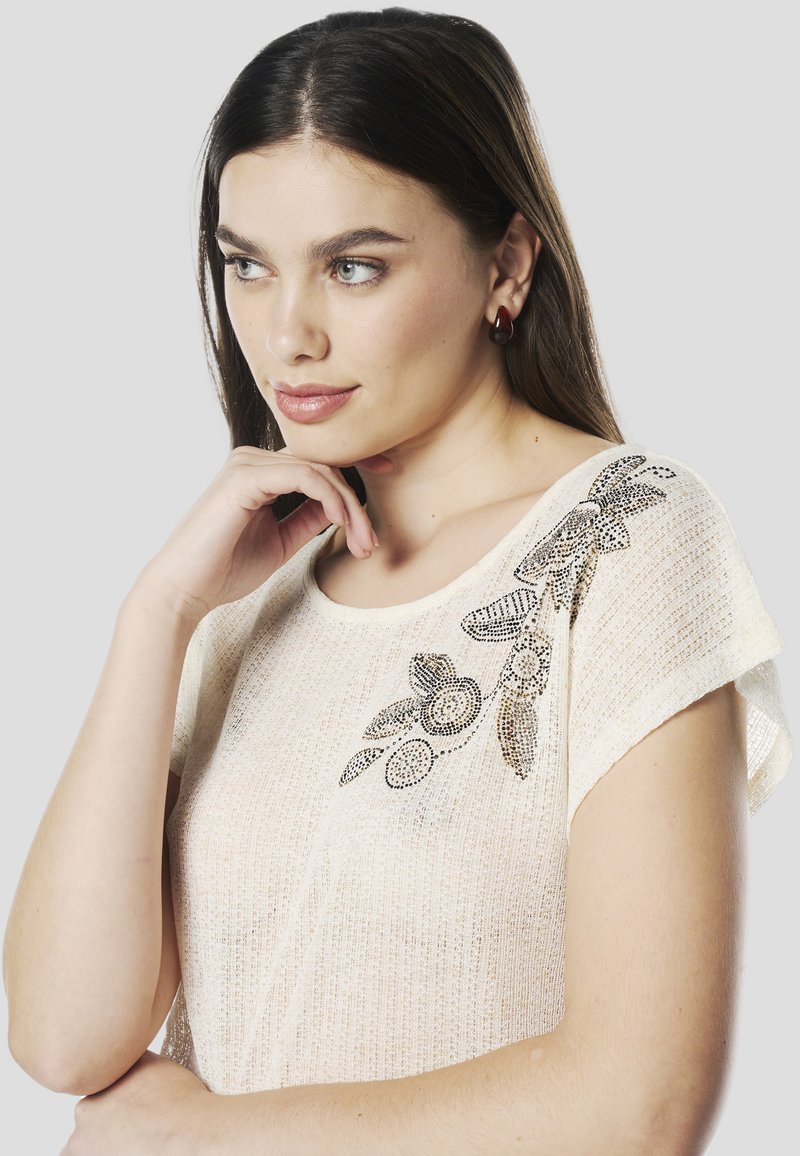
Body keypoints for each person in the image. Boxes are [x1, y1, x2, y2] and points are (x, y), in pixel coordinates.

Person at [4, 7, 791, 1153]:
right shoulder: (244, 587)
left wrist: (198, 1140)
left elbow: (639, 1104)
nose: (287, 335)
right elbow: (64, 1038)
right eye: (245, 265)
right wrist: (157, 616)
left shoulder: (625, 538)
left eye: (353, 267)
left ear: (505, 264)